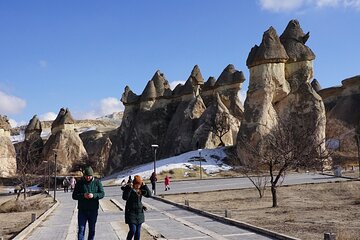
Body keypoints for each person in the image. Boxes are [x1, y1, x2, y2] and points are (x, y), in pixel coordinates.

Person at [72, 166, 105, 240]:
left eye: (89, 176)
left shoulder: (97, 182)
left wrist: (94, 195)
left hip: (93, 210)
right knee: (81, 229)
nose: (88, 178)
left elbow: (102, 194)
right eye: (86, 176)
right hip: (82, 210)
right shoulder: (80, 183)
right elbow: (74, 196)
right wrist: (83, 195)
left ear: (92, 175)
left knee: (92, 230)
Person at [121, 175, 151, 240]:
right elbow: (125, 197)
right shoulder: (129, 189)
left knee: (138, 232)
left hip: (139, 213)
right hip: (130, 213)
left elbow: (149, 194)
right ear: (134, 184)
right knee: (133, 230)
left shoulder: (140, 190)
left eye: (139, 184)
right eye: (136, 184)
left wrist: (144, 185)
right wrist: (129, 188)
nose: (138, 186)